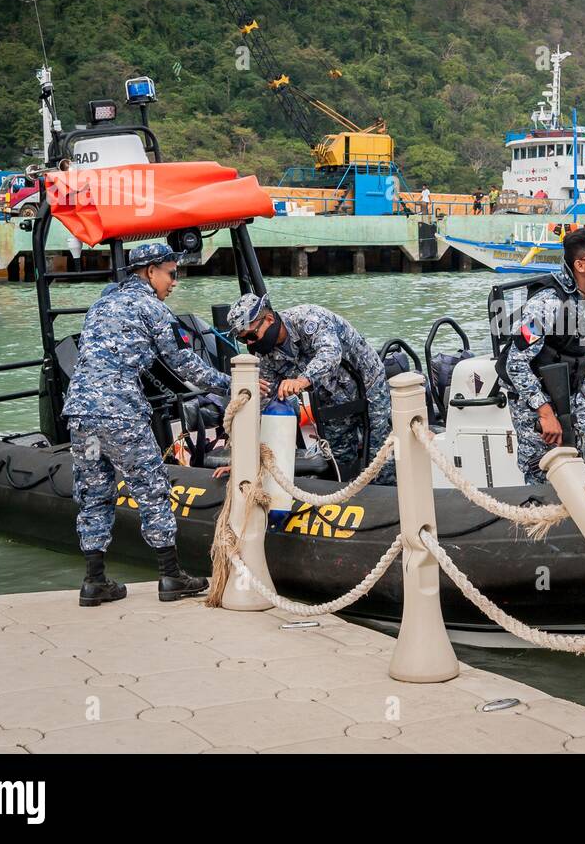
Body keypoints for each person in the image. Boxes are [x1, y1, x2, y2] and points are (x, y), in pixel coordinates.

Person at [63, 243, 229, 607]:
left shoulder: (101, 304)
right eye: (171, 273)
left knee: (93, 493)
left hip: (80, 414)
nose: (174, 282)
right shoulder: (151, 308)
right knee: (151, 489)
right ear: (150, 271)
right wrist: (233, 384)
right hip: (119, 413)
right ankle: (171, 576)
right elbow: (184, 363)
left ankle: (94, 581)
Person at [226, 294, 395, 485]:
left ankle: (388, 495)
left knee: (380, 453)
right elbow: (265, 403)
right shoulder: (266, 356)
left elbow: (330, 353)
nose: (249, 343)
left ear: (269, 319)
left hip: (369, 383)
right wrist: (244, 459)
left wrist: (302, 380)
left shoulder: (309, 319)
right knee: (339, 458)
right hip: (331, 397)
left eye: (251, 335)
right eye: (243, 340)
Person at [499, 228, 585, 484]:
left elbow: (578, 349)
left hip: (570, 394)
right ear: (580, 265)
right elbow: (515, 362)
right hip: (533, 401)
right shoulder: (547, 304)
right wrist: (545, 413)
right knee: (544, 475)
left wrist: (579, 393)